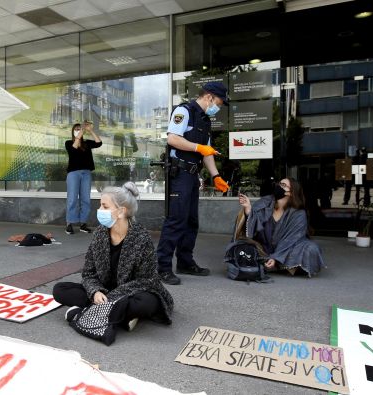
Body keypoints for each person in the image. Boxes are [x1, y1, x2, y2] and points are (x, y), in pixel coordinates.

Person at [53, 182, 173, 340]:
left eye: (104, 206)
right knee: (60, 289)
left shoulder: (141, 238)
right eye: (100, 206)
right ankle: (120, 316)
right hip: (105, 290)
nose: (99, 211)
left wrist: (113, 296)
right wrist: (95, 291)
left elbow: (147, 280)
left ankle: (87, 312)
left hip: (131, 293)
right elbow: (88, 273)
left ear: (121, 211)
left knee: (146, 303)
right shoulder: (100, 234)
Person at [156, 82, 230, 285]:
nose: (219, 107)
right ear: (209, 97)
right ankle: (162, 267)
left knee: (191, 221)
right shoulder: (184, 111)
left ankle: (185, 262)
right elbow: (173, 139)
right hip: (178, 173)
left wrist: (216, 176)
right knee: (176, 220)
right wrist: (199, 147)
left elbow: (206, 152)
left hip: (192, 175)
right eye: (220, 102)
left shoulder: (205, 120)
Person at [232, 178, 325, 277]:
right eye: (279, 183)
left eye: (283, 185)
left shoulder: (298, 213)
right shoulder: (264, 202)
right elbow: (252, 226)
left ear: (291, 193)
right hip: (263, 248)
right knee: (241, 247)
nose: (278, 186)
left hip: (287, 249)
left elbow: (292, 239)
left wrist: (276, 257)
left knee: (311, 249)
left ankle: (274, 264)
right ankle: (280, 265)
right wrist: (248, 209)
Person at [65, 120, 102, 235]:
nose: (78, 131)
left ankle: (83, 223)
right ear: (73, 132)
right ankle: (69, 223)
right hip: (73, 174)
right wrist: (80, 134)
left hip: (86, 173)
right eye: (76, 129)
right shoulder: (68, 143)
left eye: (79, 129)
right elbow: (73, 149)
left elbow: (99, 142)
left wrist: (90, 131)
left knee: (85, 199)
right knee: (72, 199)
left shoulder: (87, 143)